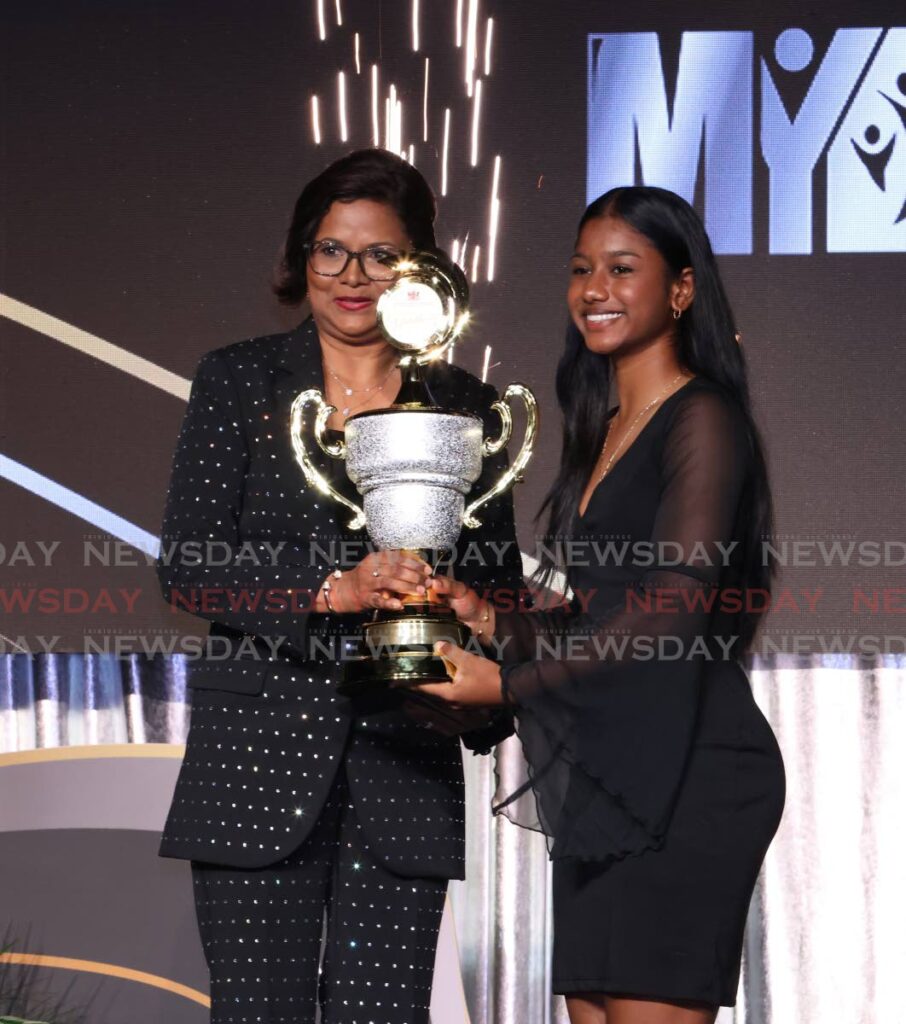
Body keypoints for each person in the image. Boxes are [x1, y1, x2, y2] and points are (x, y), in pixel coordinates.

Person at [155, 148, 523, 1024]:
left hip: (404, 764)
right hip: (254, 766)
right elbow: (190, 562)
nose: (353, 277)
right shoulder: (238, 380)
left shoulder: (463, 406)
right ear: (302, 258)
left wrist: (480, 700)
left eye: (381, 254)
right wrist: (331, 591)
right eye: (332, 251)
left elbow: (494, 587)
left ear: (420, 270)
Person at [418, 186, 786, 1024]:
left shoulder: (705, 418)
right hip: (612, 774)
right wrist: (486, 616)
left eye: (623, 269)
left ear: (680, 290)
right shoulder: (605, 424)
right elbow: (600, 613)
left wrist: (506, 687)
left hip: (694, 772)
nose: (595, 289)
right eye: (582, 269)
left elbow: (669, 611)